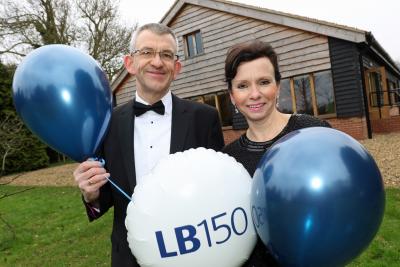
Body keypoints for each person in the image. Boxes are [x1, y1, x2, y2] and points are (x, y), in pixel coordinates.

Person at [73, 23, 224, 267]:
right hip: (128, 259)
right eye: (147, 52)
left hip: (195, 255)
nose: (157, 62)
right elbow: (104, 198)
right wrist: (91, 195)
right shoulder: (105, 124)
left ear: (176, 67)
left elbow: (220, 191)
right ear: (129, 62)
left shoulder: (205, 119)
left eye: (166, 54)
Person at [222, 40, 331, 267]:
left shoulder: (313, 132)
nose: (254, 94)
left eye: (263, 82)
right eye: (242, 86)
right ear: (232, 96)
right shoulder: (227, 162)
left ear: (278, 86)